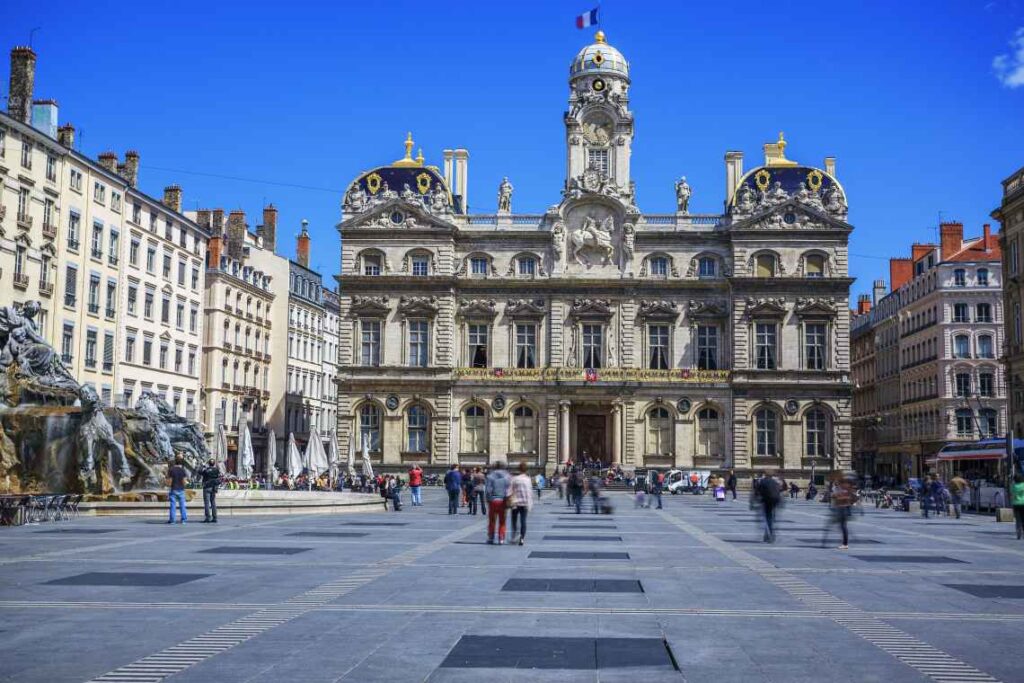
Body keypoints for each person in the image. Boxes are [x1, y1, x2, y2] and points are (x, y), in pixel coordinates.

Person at [823, 474, 856, 549]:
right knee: (842, 526)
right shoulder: (839, 488)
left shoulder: (844, 488)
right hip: (841, 509)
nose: (835, 482)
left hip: (844, 509)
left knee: (843, 526)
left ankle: (845, 544)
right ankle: (844, 543)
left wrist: (836, 496)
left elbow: (846, 497)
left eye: (836, 481)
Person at [485, 461, 512, 544]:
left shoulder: (490, 476)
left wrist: (488, 500)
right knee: (502, 521)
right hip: (503, 500)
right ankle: (501, 538)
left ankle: (491, 537)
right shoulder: (508, 477)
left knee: (492, 520)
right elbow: (509, 490)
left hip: (493, 501)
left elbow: (488, 490)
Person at [509, 462, 534, 545]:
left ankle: (514, 536)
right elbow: (529, 492)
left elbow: (510, 491)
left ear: (519, 469)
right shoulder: (528, 479)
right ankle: (522, 538)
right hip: (524, 503)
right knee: (523, 521)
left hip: (515, 503)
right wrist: (530, 504)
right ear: (526, 470)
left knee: (514, 520)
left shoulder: (514, 479)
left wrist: (509, 500)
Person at [756, 472, 781, 542]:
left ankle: (770, 535)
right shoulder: (775, 481)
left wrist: (758, 500)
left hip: (767, 501)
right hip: (775, 501)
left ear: (766, 475)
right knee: (771, 517)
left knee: (768, 518)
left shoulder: (763, 481)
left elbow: (758, 491)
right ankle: (767, 535)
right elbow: (779, 491)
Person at [167, 454, 188, 524]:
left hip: (174, 489)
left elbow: (170, 481)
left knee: (173, 505)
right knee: (182, 505)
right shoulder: (183, 470)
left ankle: (172, 520)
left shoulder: (171, 470)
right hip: (181, 489)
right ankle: (184, 520)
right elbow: (184, 481)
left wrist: (169, 486)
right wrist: (183, 486)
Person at [198, 458, 221, 523]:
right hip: (213, 487)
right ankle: (215, 517)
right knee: (213, 502)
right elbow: (219, 477)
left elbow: (199, 472)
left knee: (207, 503)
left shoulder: (206, 470)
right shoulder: (216, 470)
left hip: (207, 487)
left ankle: (208, 517)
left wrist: (202, 465)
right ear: (214, 464)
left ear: (208, 463)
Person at [1012, 473, 1024, 540]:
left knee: (1018, 519)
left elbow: (1012, 495)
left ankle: (1018, 532)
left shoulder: (1013, 486)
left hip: (1016, 504)